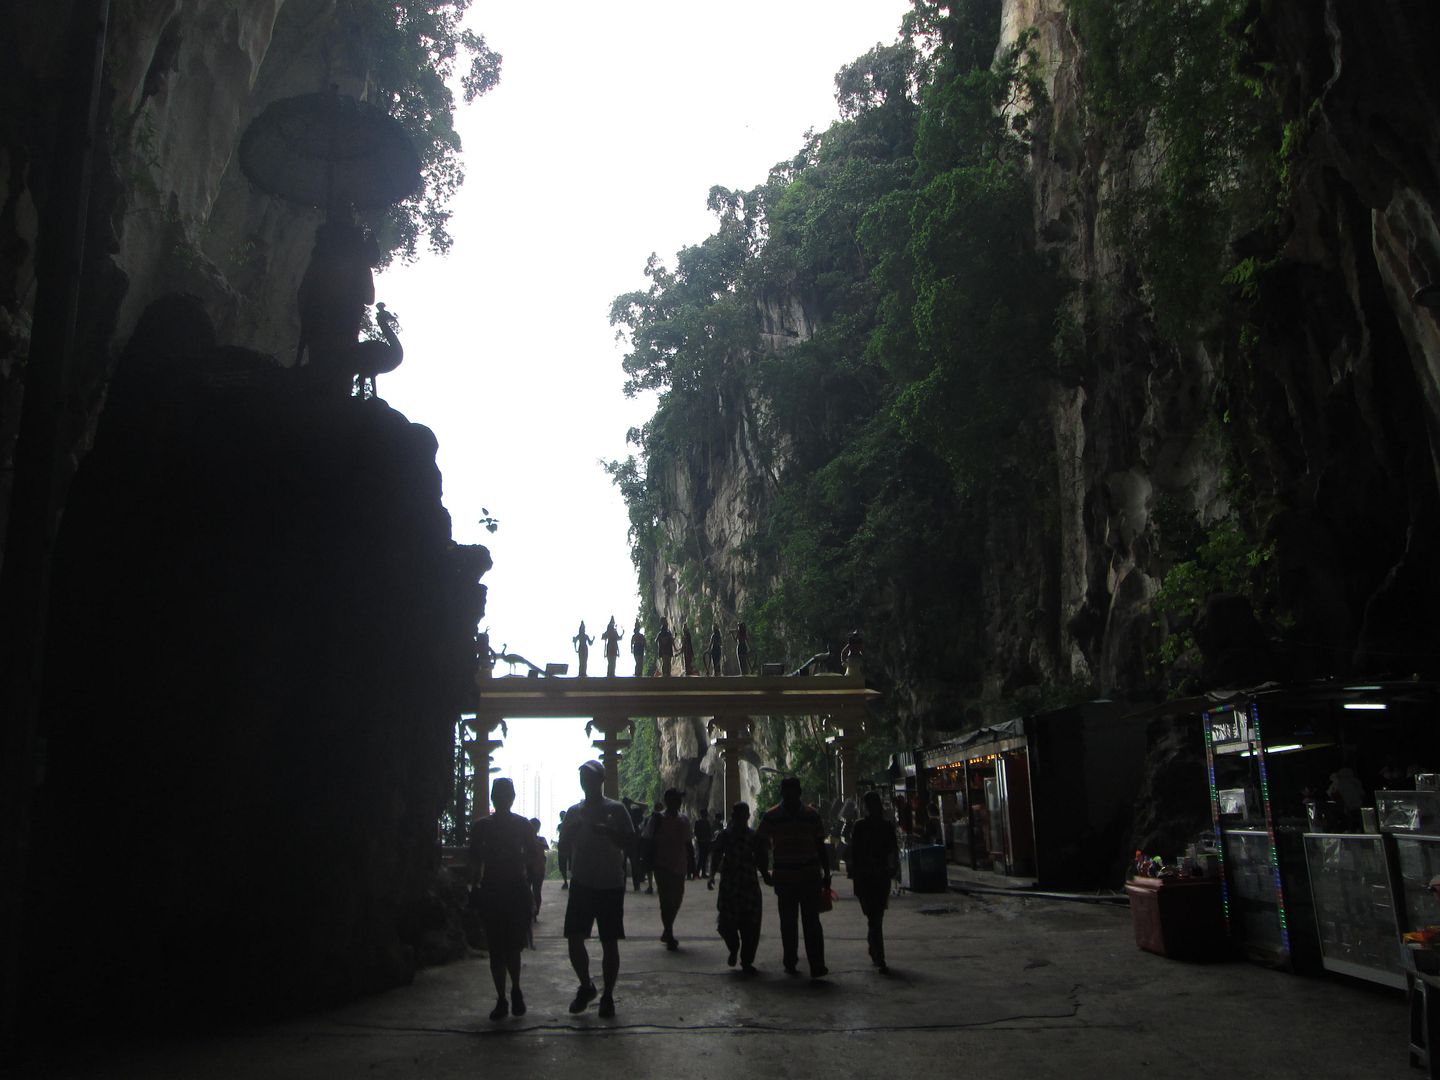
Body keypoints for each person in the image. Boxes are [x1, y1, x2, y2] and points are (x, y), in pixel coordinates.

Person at [557, 760, 637, 1018]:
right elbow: (564, 844)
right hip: (582, 881)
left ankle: (608, 995)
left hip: (610, 883)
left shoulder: (616, 809)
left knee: (609, 941)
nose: (586, 782)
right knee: (574, 938)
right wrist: (568, 836)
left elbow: (631, 842)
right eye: (583, 778)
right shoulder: (573, 812)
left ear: (601, 780)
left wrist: (609, 833)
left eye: (590, 778)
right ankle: (586, 985)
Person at [469, 778, 539, 1020]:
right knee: (511, 947)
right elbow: (534, 857)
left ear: (493, 797)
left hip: (494, 889)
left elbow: (474, 862)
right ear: (512, 798)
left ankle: (503, 997)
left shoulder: (482, 827)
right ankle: (514, 990)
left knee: (498, 948)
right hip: (514, 890)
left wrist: (474, 886)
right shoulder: (522, 826)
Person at [756, 776, 830, 978]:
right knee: (789, 922)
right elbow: (759, 843)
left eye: (792, 791)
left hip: (808, 876)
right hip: (787, 877)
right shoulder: (772, 816)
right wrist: (764, 871)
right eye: (786, 791)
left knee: (810, 921)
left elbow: (820, 845)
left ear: (798, 792)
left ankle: (816, 963)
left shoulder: (810, 815)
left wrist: (827, 872)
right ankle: (791, 960)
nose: (789, 795)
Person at [848, 791, 900, 974]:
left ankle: (878, 954)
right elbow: (893, 850)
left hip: (869, 877)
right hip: (876, 876)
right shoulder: (883, 826)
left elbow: (853, 854)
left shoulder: (861, 826)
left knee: (874, 918)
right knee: (875, 917)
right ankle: (876, 950)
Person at [709, 802, 764, 972]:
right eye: (737, 816)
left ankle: (746, 960)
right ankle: (734, 948)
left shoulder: (753, 836)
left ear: (747, 817)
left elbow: (761, 857)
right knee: (727, 923)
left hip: (747, 885)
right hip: (732, 886)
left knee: (751, 925)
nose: (739, 819)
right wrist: (711, 875)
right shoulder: (725, 836)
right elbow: (717, 855)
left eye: (742, 815)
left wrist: (767, 874)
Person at [646, 788, 693, 949]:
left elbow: (688, 843)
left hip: (679, 864)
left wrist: (692, 864)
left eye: (680, 799)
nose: (679, 802)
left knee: (677, 898)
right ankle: (669, 931)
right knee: (665, 899)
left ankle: (668, 929)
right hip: (662, 865)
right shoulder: (657, 819)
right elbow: (647, 840)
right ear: (668, 801)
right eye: (677, 799)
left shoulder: (683, 820)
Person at [528, 818, 549, 921]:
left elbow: (546, 847)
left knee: (536, 891)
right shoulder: (538, 840)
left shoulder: (541, 839)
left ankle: (534, 913)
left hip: (537, 868)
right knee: (532, 891)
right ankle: (531, 912)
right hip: (532, 868)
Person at [693, 807, 714, 884]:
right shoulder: (705, 822)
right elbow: (709, 833)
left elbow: (696, 832)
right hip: (704, 842)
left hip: (702, 842)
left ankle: (700, 873)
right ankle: (700, 873)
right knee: (703, 857)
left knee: (702, 857)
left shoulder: (698, 822)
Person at [556, 809, 570, 889]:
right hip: (565, 846)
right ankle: (565, 881)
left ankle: (565, 882)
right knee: (564, 865)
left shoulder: (561, 826)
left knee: (563, 865)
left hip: (564, 846)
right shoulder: (564, 825)